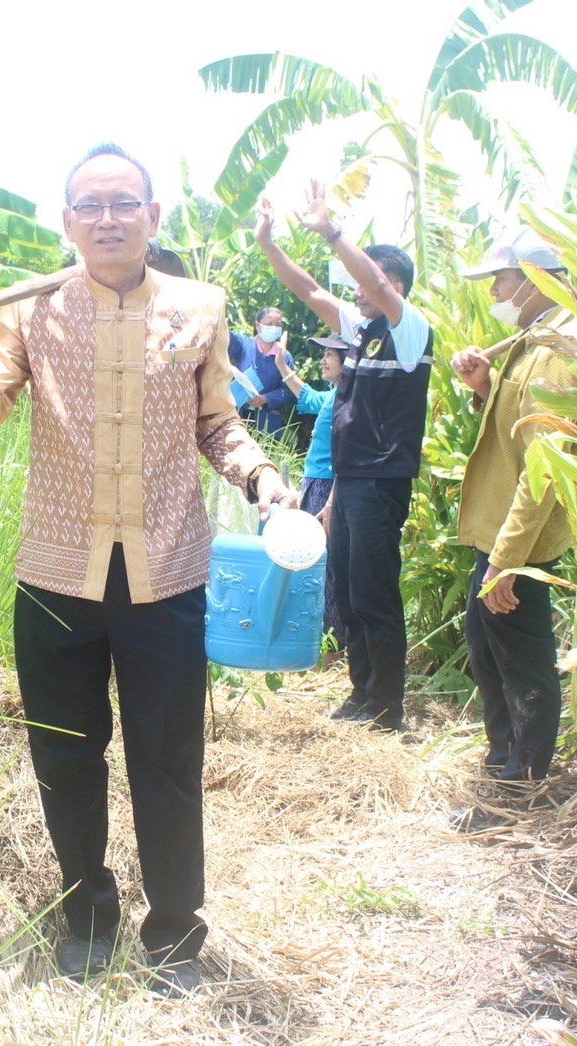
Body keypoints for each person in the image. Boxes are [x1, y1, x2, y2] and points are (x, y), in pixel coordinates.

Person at [0, 143, 298, 998]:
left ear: (153, 216)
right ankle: (87, 919)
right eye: (88, 206)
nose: (106, 218)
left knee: (167, 759)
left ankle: (173, 934)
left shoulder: (200, 307)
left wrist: (262, 476)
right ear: (67, 222)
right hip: (57, 575)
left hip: (165, 572)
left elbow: (219, 424)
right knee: (66, 757)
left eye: (123, 203)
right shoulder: (32, 308)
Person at [254, 182, 433, 732]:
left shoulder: (410, 330)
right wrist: (268, 243)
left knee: (376, 592)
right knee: (350, 591)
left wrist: (330, 230)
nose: (355, 292)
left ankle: (387, 706)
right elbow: (307, 289)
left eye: (363, 282)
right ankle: (361, 694)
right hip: (350, 479)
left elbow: (373, 280)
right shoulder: (359, 332)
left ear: (392, 285)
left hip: (383, 481)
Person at [451, 227, 577, 783]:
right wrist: (484, 387)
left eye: (500, 280)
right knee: (487, 643)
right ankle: (504, 754)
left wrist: (507, 561)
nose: (494, 293)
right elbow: (515, 431)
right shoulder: (535, 336)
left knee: (521, 657)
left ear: (535, 279)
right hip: (501, 531)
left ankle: (527, 774)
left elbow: (545, 467)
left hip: (518, 540)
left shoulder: (557, 352)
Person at [273, 333, 349, 650]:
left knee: (324, 563)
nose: (324, 359)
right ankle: (320, 638)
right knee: (315, 561)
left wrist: (330, 502)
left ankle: (331, 645)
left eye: (331, 354)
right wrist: (281, 365)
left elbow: (346, 454)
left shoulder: (348, 396)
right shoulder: (334, 393)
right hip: (316, 483)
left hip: (328, 485)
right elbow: (308, 397)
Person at [227, 308, 296, 436]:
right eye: (270, 324)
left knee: (265, 452)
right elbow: (223, 335)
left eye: (278, 325)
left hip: (269, 420)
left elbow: (289, 389)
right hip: (240, 414)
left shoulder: (284, 356)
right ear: (258, 326)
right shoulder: (244, 345)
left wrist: (266, 398)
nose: (274, 328)